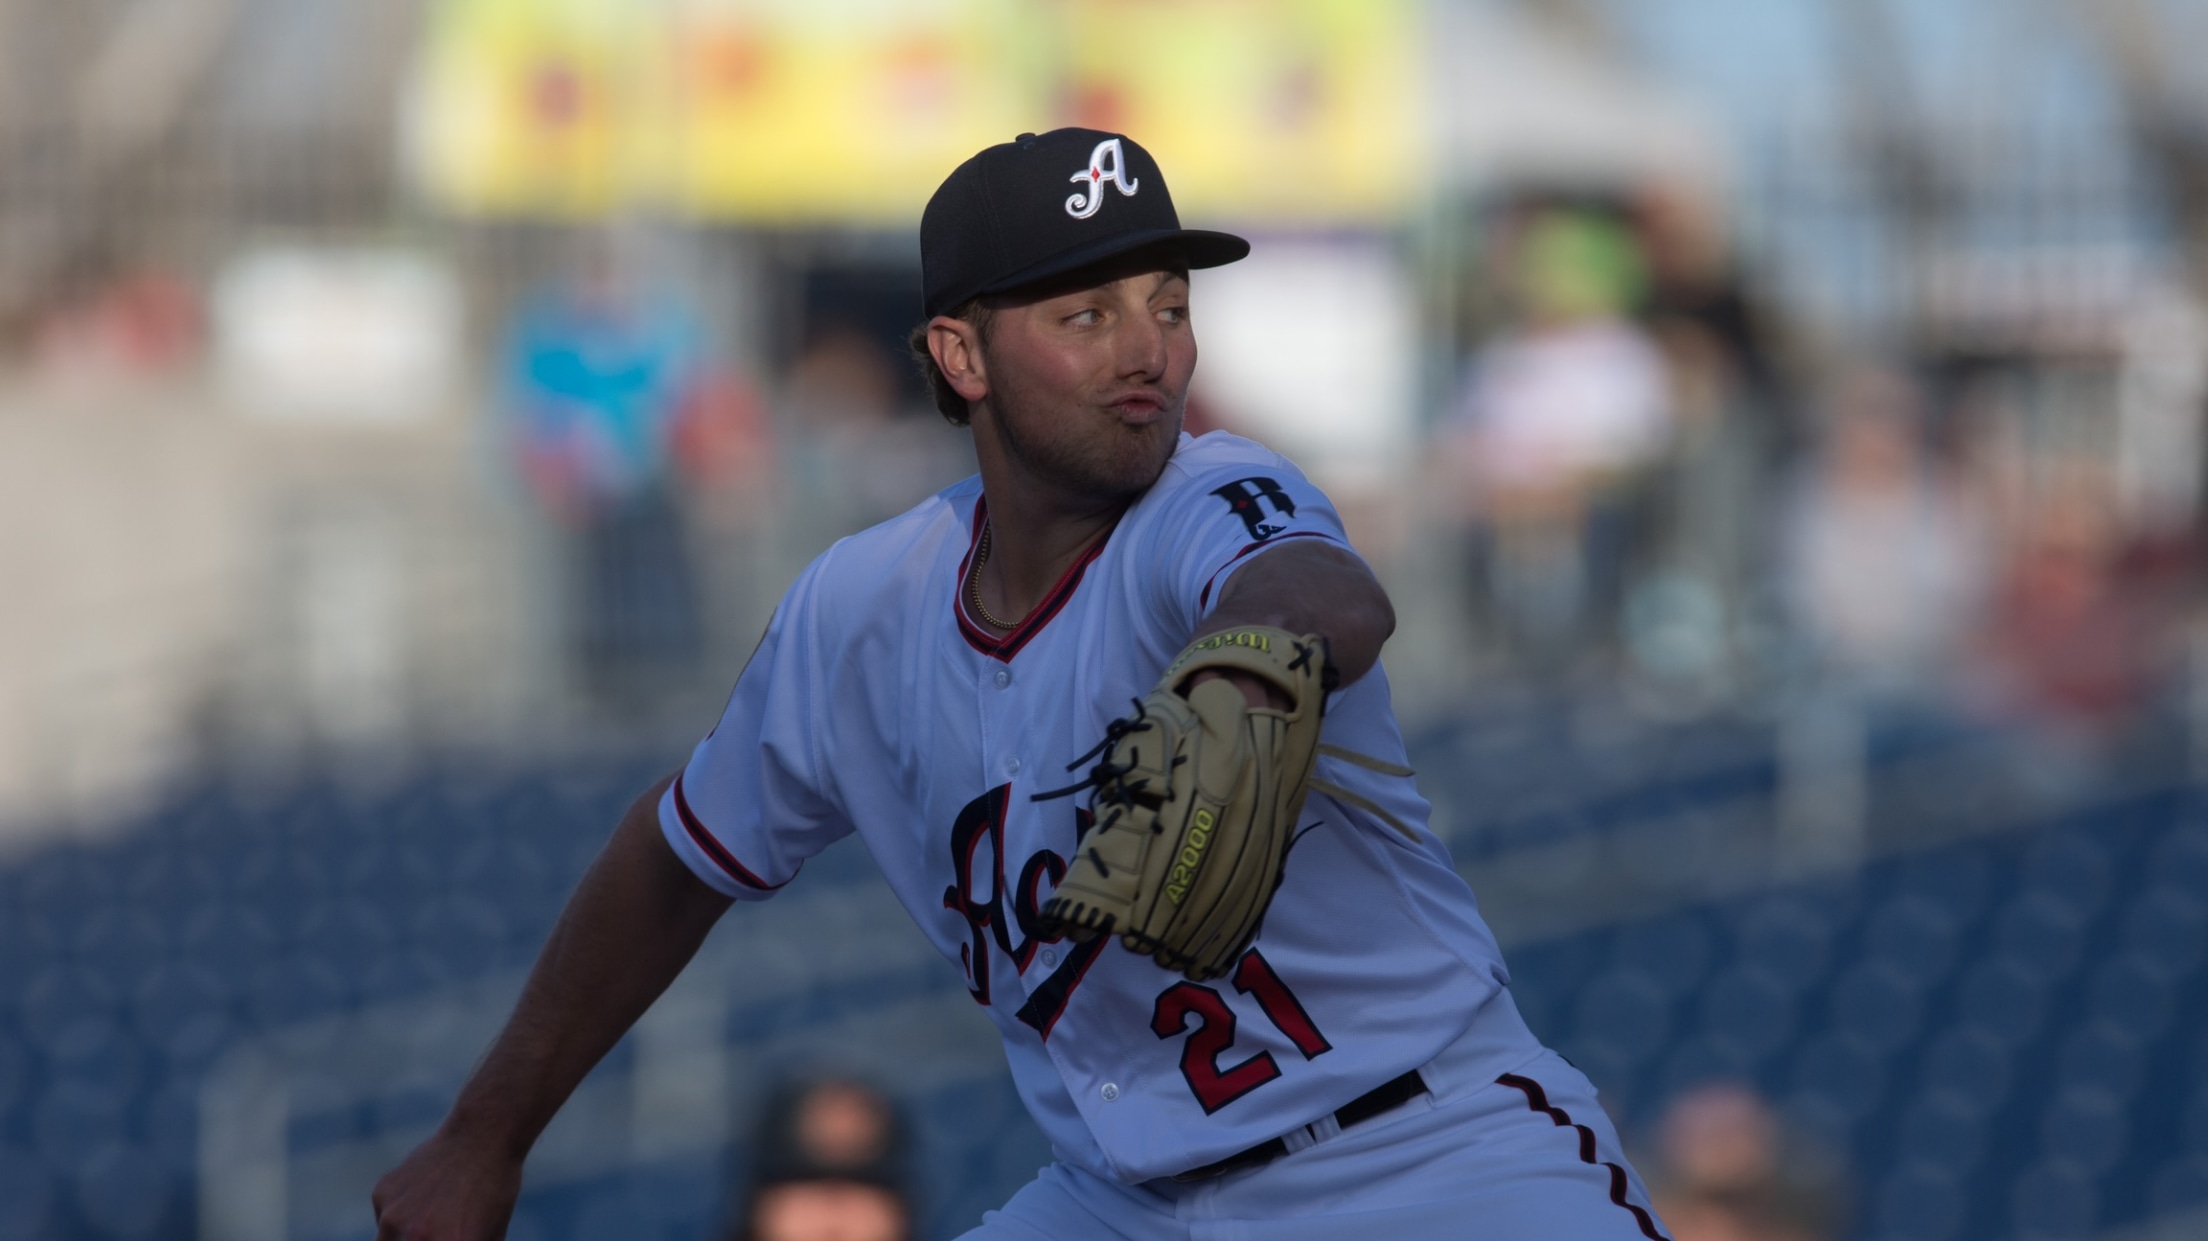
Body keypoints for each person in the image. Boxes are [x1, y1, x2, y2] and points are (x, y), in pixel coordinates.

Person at [371, 129, 1669, 1240]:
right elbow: (674, 857)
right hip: (1121, 1200)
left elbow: (1324, 592)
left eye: (1169, 304)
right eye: (1086, 315)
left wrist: (1244, 671)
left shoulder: (1207, 497)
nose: (1147, 350)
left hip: (1425, 1159)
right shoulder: (860, 610)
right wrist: (485, 1134)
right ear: (963, 354)